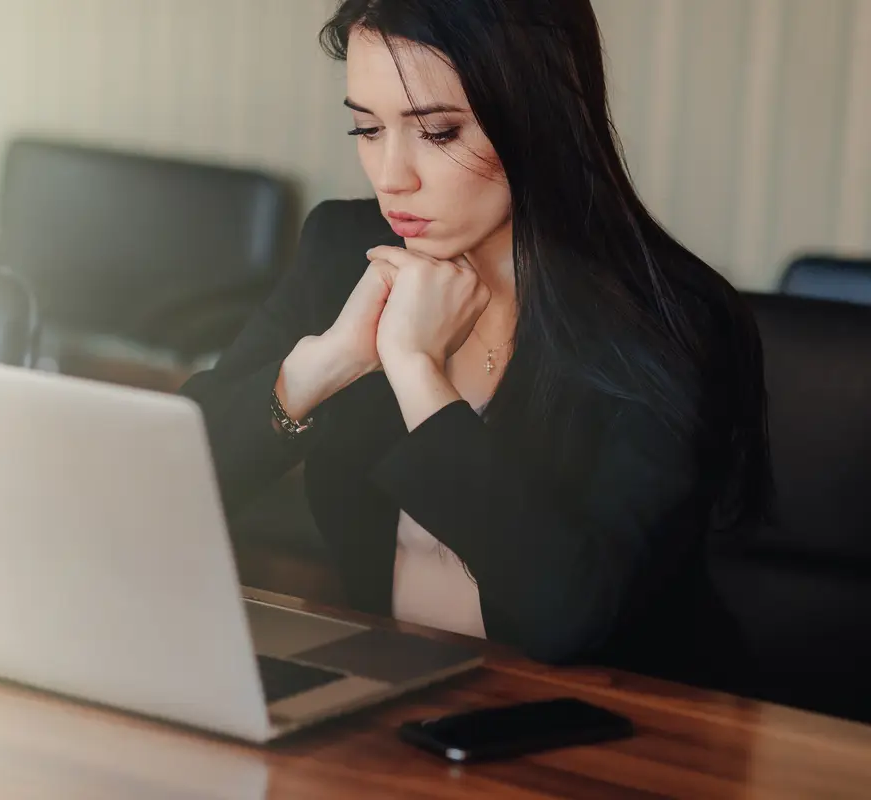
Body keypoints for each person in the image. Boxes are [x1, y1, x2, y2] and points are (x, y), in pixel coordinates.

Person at [179, 0, 772, 688]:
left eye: (436, 131)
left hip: (618, 736)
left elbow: (568, 616)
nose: (391, 175)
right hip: (397, 707)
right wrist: (321, 368)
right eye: (366, 128)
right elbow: (162, 494)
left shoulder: (672, 320)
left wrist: (418, 373)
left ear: (540, 116)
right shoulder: (345, 252)